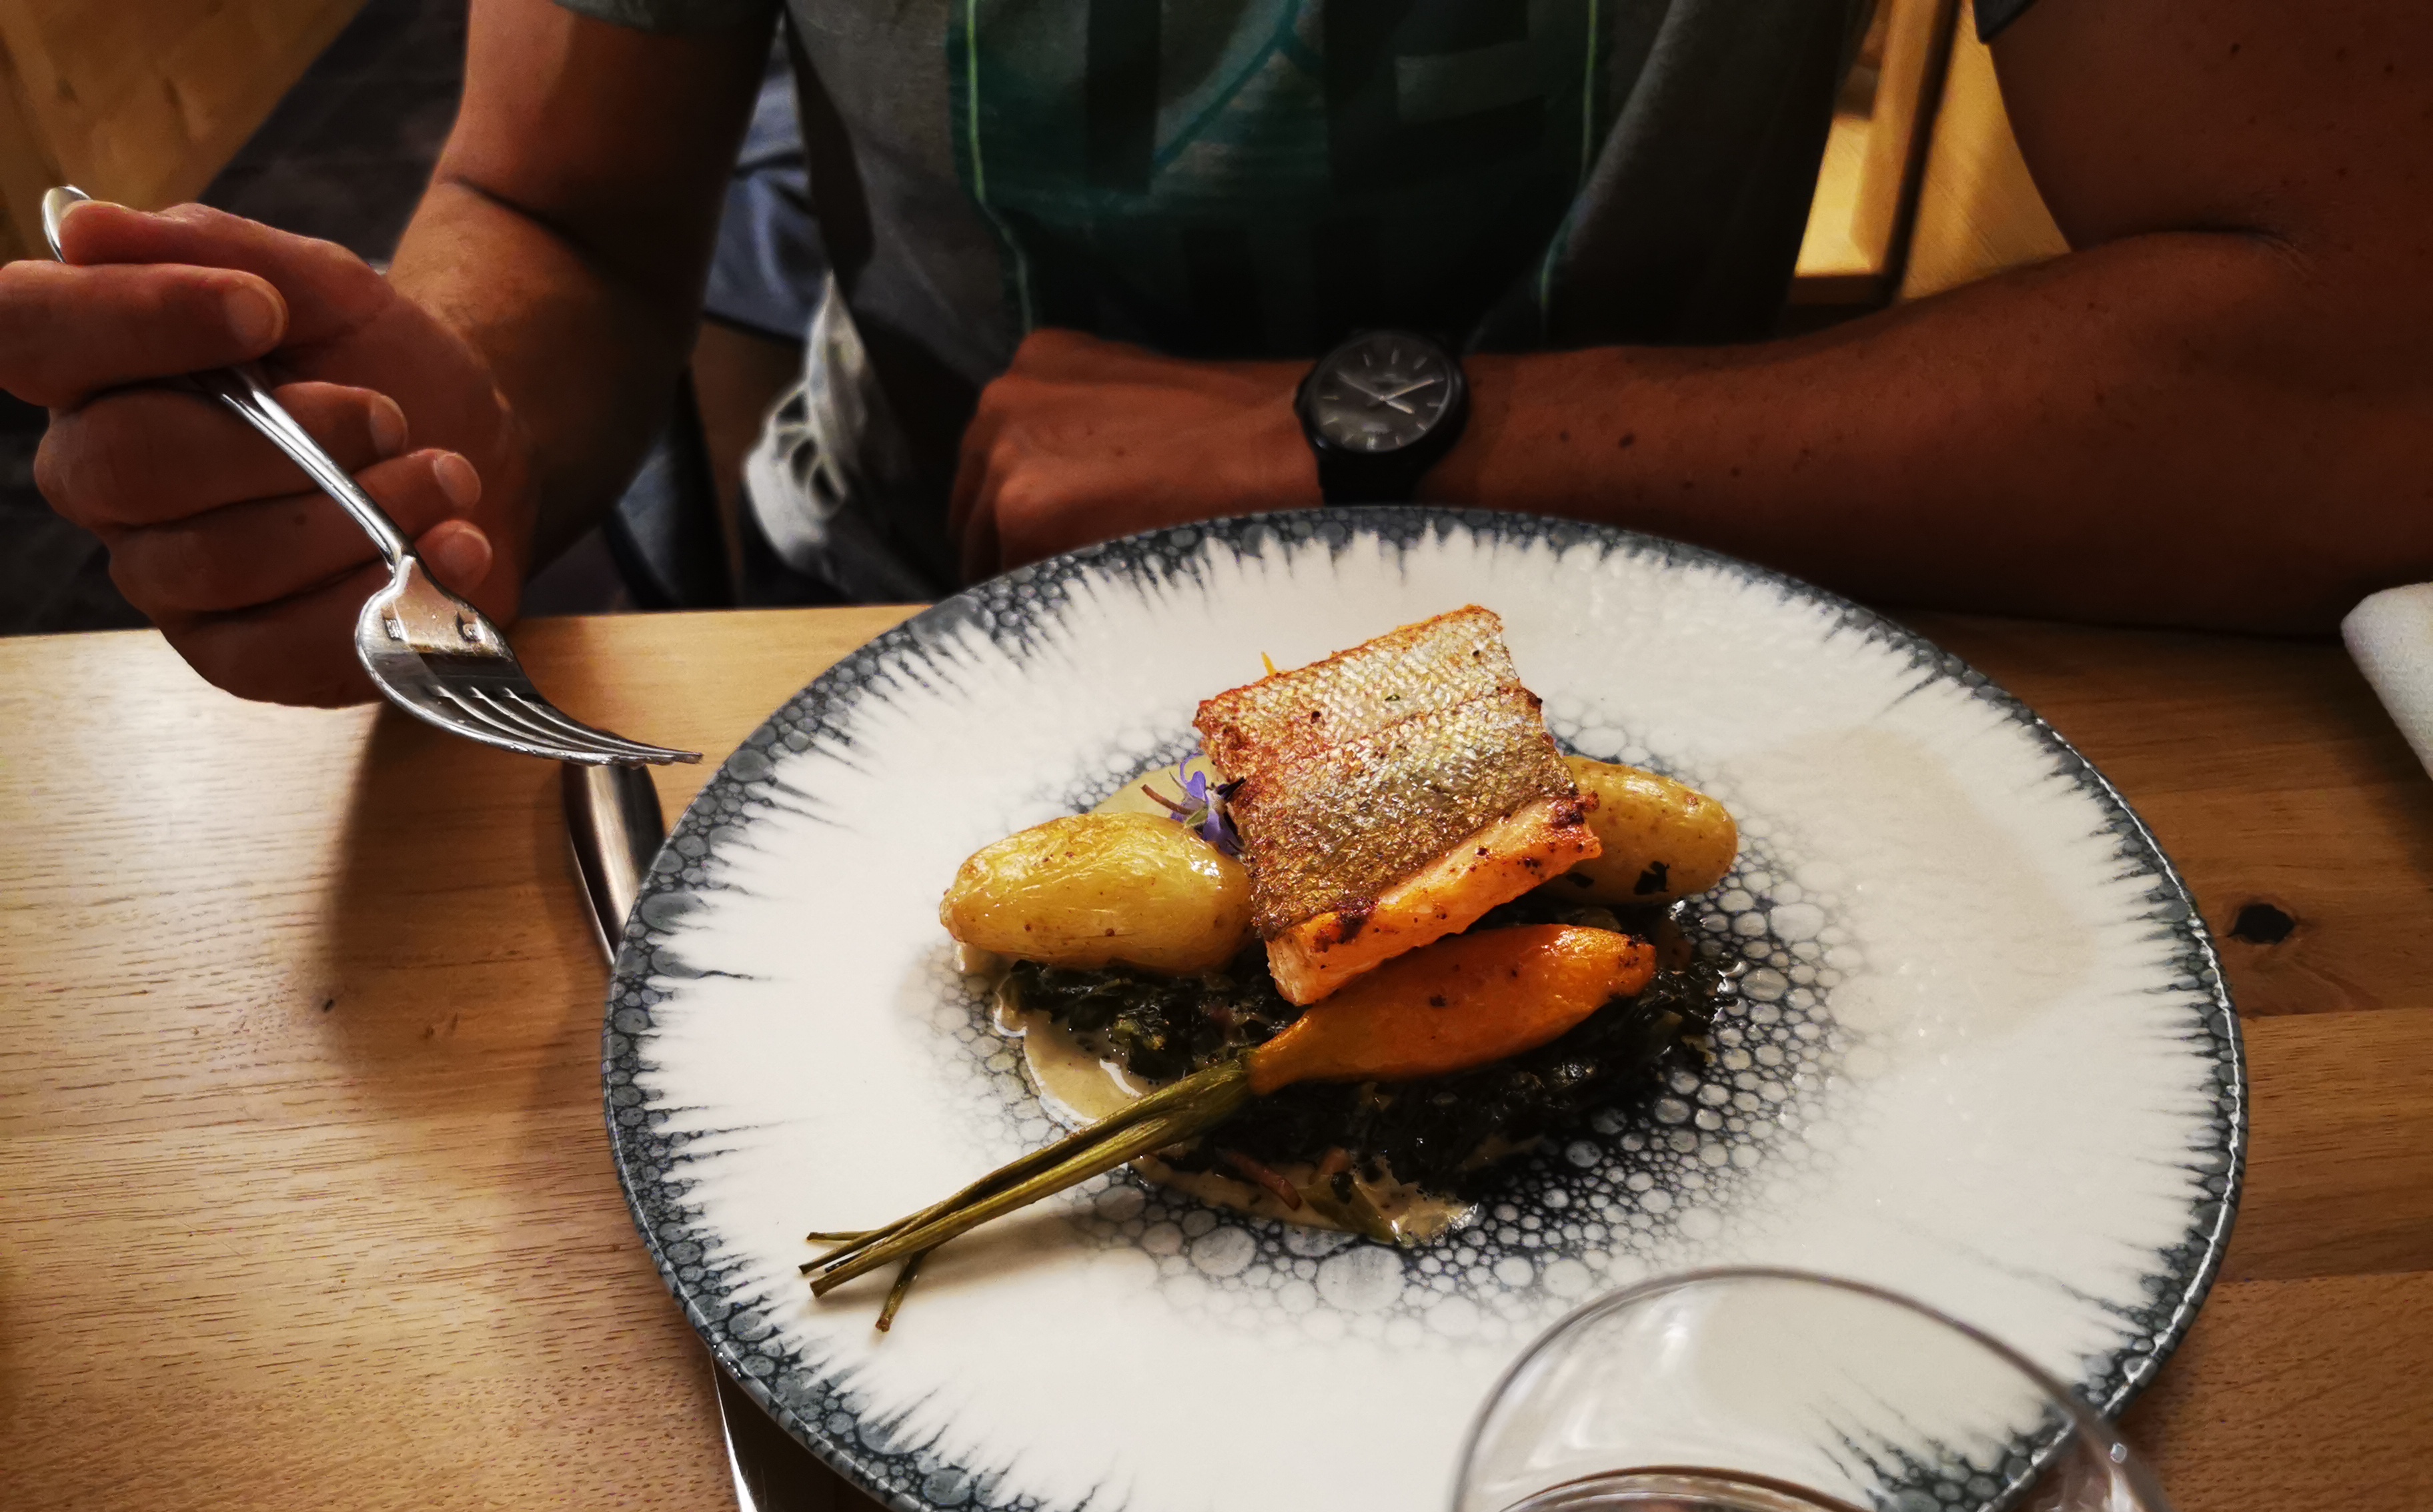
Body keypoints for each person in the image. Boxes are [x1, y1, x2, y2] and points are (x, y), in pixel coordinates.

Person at [6, 0, 2430, 707]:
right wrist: (440, 443)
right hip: (886, 623)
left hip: (1653, 651)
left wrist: (1365, 449)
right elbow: (556, 201)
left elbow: (2370, 371)